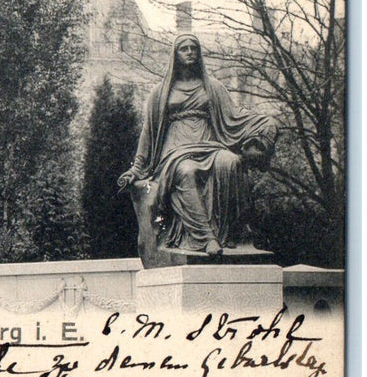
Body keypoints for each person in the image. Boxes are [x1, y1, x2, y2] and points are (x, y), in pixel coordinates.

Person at [117, 34, 277, 257]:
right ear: (175, 55)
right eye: (184, 48)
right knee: (186, 172)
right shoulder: (160, 93)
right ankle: (207, 238)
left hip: (209, 144)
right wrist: (136, 168)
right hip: (175, 151)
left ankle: (227, 234)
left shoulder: (214, 87)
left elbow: (235, 116)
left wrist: (266, 125)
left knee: (230, 162)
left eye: (194, 47)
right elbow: (148, 133)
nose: (190, 51)